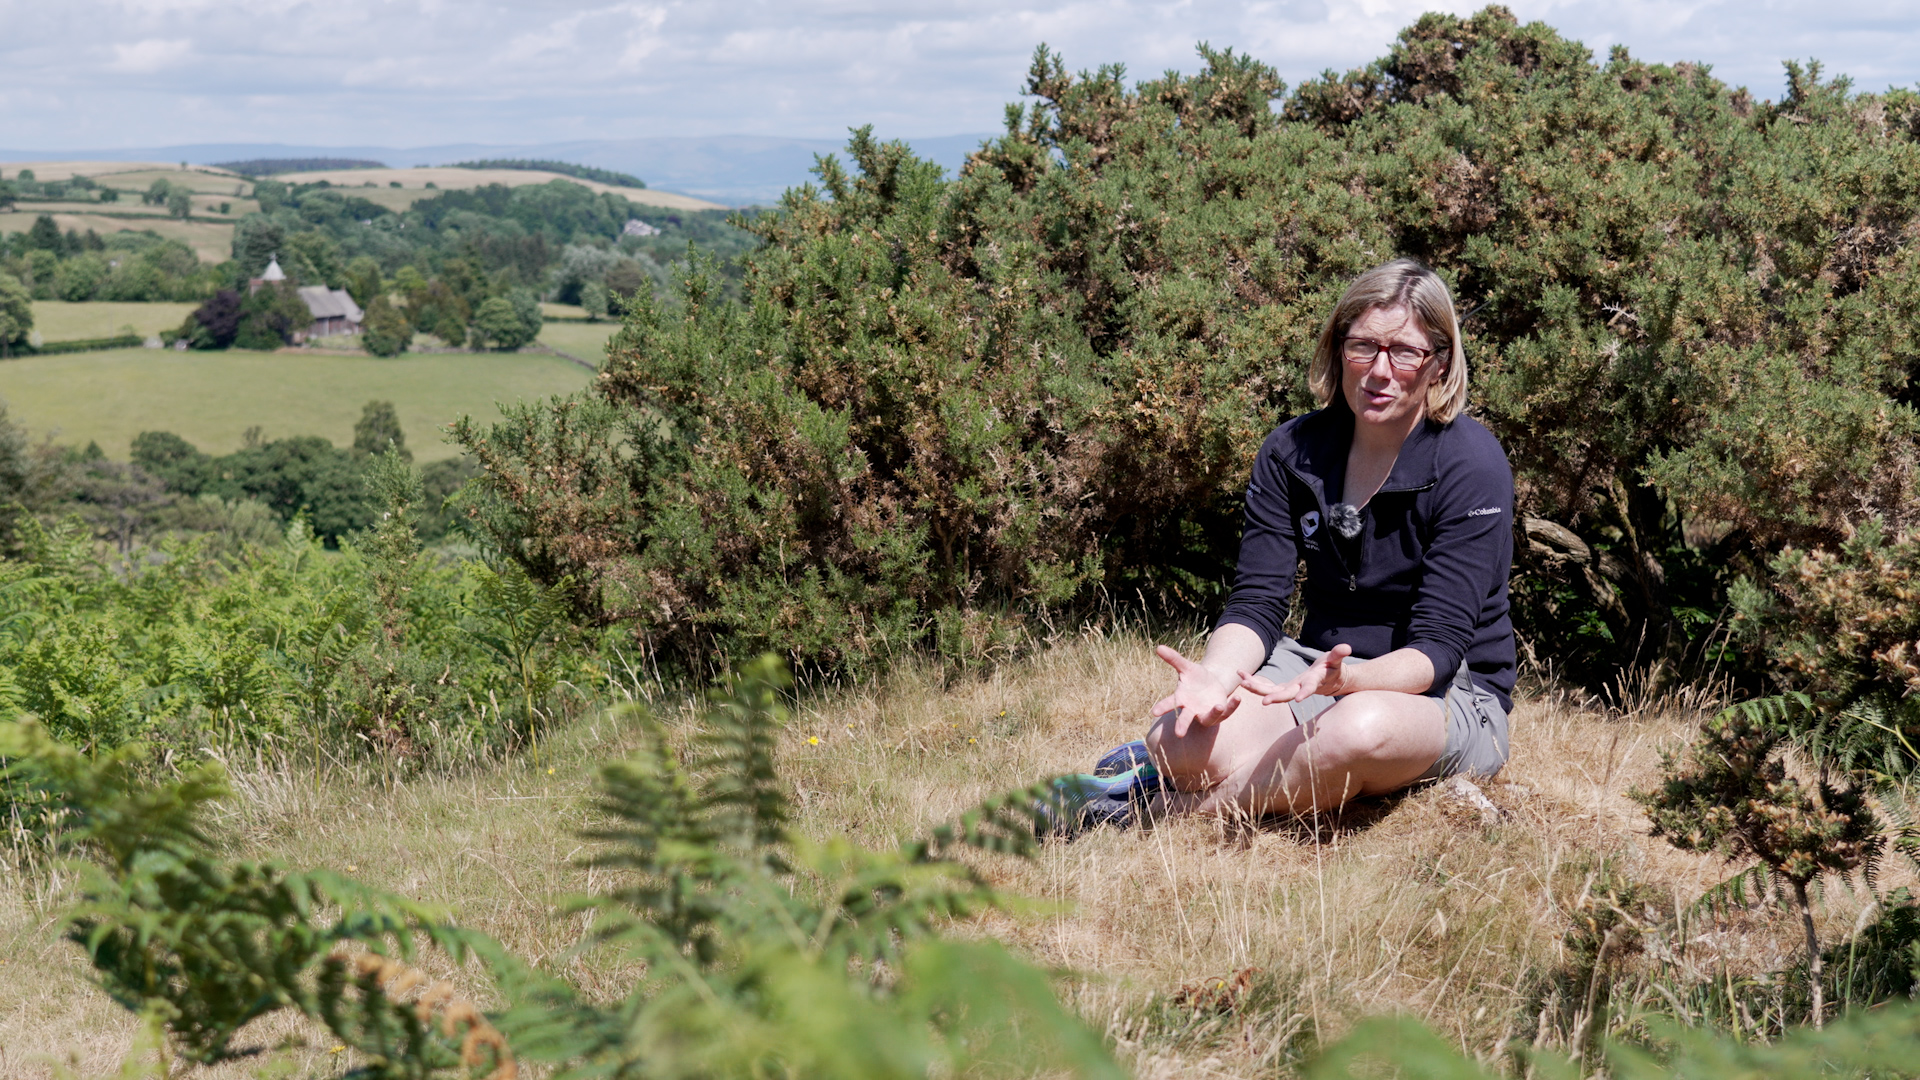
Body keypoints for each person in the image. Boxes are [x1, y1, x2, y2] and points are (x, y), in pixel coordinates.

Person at [1071, 260, 1516, 828]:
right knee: (1176, 740)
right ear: (1338, 349)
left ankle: (1152, 809)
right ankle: (1158, 770)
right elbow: (1257, 603)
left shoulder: (1471, 464)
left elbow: (1438, 651)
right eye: (1363, 347)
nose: (1380, 371)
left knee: (1358, 731)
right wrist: (1217, 676)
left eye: (1404, 352)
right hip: (1314, 671)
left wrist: (1351, 683)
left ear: (1439, 364)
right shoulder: (1293, 451)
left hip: (1448, 695)